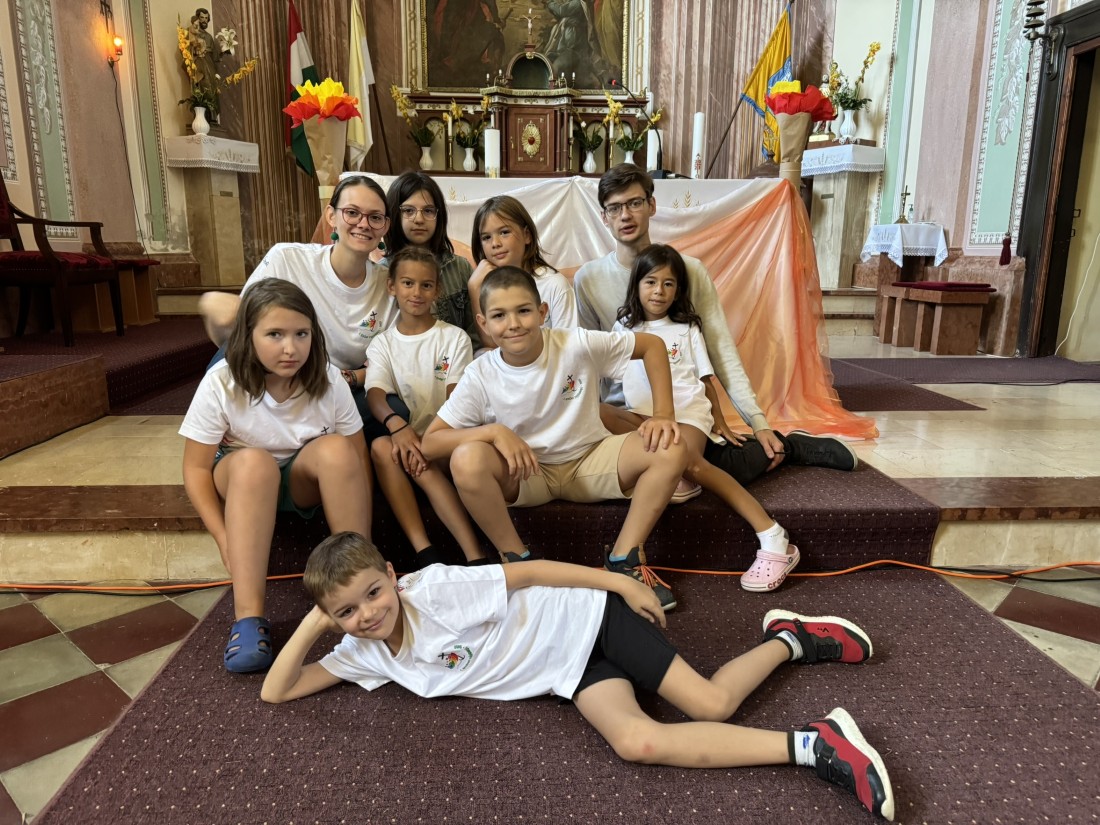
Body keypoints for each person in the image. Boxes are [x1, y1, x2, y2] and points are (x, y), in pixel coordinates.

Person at [261, 531, 895, 822]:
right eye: (347, 611)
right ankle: (815, 741)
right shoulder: (364, 652)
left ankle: (790, 641)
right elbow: (278, 690)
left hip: (589, 617)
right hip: (569, 669)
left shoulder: (435, 591)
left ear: (392, 577)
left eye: (373, 594)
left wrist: (619, 583)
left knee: (711, 703)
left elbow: (531, 573)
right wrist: (315, 623)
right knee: (638, 742)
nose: (367, 614)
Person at [573, 164, 858, 492]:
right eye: (615, 207)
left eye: (635, 203)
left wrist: (758, 422)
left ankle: (790, 446)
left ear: (651, 205)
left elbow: (720, 350)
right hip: (626, 415)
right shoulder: (588, 279)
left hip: (682, 410)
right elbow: (588, 360)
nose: (625, 215)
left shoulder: (688, 271)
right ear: (604, 216)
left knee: (712, 466)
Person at [422, 267, 687, 610]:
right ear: (483, 323)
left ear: (542, 312)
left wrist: (664, 413)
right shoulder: (481, 373)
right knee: (466, 457)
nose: (513, 324)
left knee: (670, 445)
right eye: (499, 316)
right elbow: (431, 442)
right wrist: (494, 431)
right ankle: (517, 560)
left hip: (590, 459)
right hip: (528, 474)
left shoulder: (576, 343)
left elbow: (652, 346)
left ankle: (625, 559)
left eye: (523, 310)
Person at [180, 280, 371, 673]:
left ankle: (360, 584)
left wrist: (363, 540)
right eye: (275, 335)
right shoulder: (221, 381)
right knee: (255, 463)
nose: (290, 348)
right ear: (248, 335)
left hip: (301, 480)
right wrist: (222, 535)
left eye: (301, 334)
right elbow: (196, 468)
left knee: (338, 449)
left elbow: (357, 456)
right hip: (243, 477)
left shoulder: (328, 379)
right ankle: (248, 617)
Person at [606, 244, 799, 591]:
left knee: (692, 462)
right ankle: (672, 478)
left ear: (678, 289)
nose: (659, 291)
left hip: (687, 415)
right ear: (636, 285)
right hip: (643, 415)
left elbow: (706, 379)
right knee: (602, 415)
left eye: (668, 284)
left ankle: (772, 535)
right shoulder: (622, 327)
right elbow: (609, 375)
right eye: (651, 282)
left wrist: (718, 420)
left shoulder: (686, 328)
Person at [198, 176, 398, 436]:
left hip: (337, 387)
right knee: (232, 351)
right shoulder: (288, 259)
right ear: (331, 216)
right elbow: (239, 325)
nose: (363, 223)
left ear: (385, 226)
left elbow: (390, 359)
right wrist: (211, 303)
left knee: (396, 410)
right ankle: (224, 433)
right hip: (278, 375)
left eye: (375, 217)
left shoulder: (390, 284)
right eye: (352, 213)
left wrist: (347, 378)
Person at [364, 246, 487, 568]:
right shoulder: (382, 344)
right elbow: (375, 394)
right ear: (392, 286)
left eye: (426, 285)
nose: (416, 292)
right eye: (407, 283)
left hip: (445, 440)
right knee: (380, 446)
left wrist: (426, 441)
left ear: (437, 290)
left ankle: (474, 554)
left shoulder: (454, 338)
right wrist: (399, 427)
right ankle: (426, 550)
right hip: (405, 444)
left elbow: (457, 398)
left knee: (420, 453)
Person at [381, 171, 480, 348]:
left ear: (438, 215)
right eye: (408, 211)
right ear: (394, 213)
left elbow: (475, 333)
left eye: (428, 211)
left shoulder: (459, 268)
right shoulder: (382, 271)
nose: (419, 219)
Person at [467, 195, 577, 347]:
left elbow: (569, 346)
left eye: (504, 232)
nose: (495, 243)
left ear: (527, 235)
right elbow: (493, 348)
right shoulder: (481, 283)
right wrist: (474, 288)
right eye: (486, 237)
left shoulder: (554, 284)